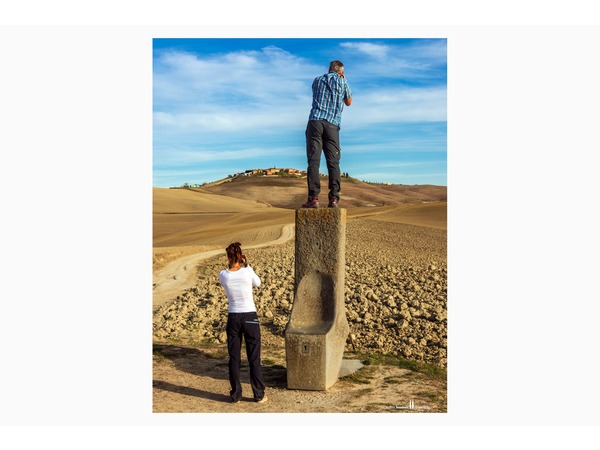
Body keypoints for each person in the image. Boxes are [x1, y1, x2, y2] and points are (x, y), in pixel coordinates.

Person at [219, 242, 267, 404]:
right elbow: (258, 283)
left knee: (234, 358)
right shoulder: (247, 271)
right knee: (254, 357)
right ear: (241, 256)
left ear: (228, 257)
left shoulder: (223, 275)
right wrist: (247, 265)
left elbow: (230, 273)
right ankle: (259, 394)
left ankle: (236, 394)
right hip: (250, 317)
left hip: (233, 316)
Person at [302, 60, 353, 209]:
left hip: (315, 122)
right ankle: (334, 199)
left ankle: (313, 198)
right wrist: (343, 82)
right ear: (341, 72)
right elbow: (348, 102)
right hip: (332, 125)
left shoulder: (317, 80)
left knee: (313, 161)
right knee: (333, 162)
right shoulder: (343, 82)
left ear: (329, 69)